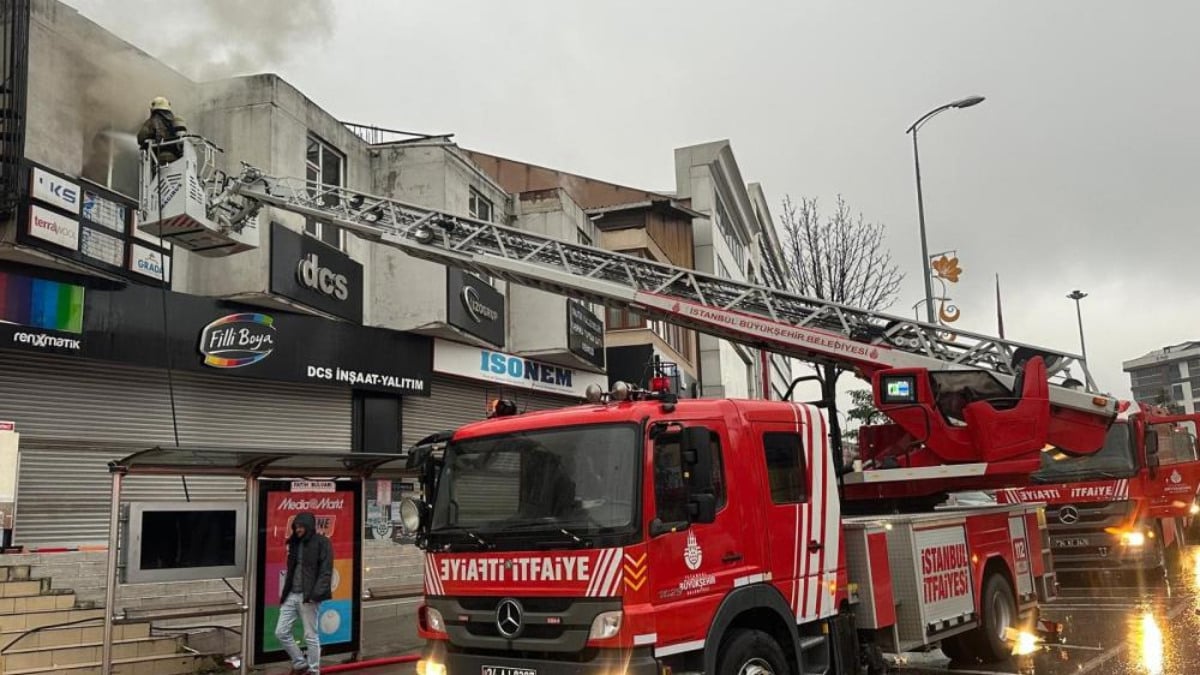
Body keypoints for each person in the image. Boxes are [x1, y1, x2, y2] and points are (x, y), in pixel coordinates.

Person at [275, 512, 333, 675]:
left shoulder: (322, 542)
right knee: (281, 632)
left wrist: (315, 595)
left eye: (301, 526)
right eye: (296, 526)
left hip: (309, 597)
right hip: (292, 594)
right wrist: (285, 593)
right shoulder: (294, 543)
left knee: (310, 635)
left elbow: (325, 571)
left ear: (308, 526)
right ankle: (300, 663)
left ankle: (313, 670)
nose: (298, 529)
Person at [136, 96, 188, 164]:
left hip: (158, 159)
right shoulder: (174, 121)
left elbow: (141, 138)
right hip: (176, 159)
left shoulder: (151, 122)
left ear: (153, 109)